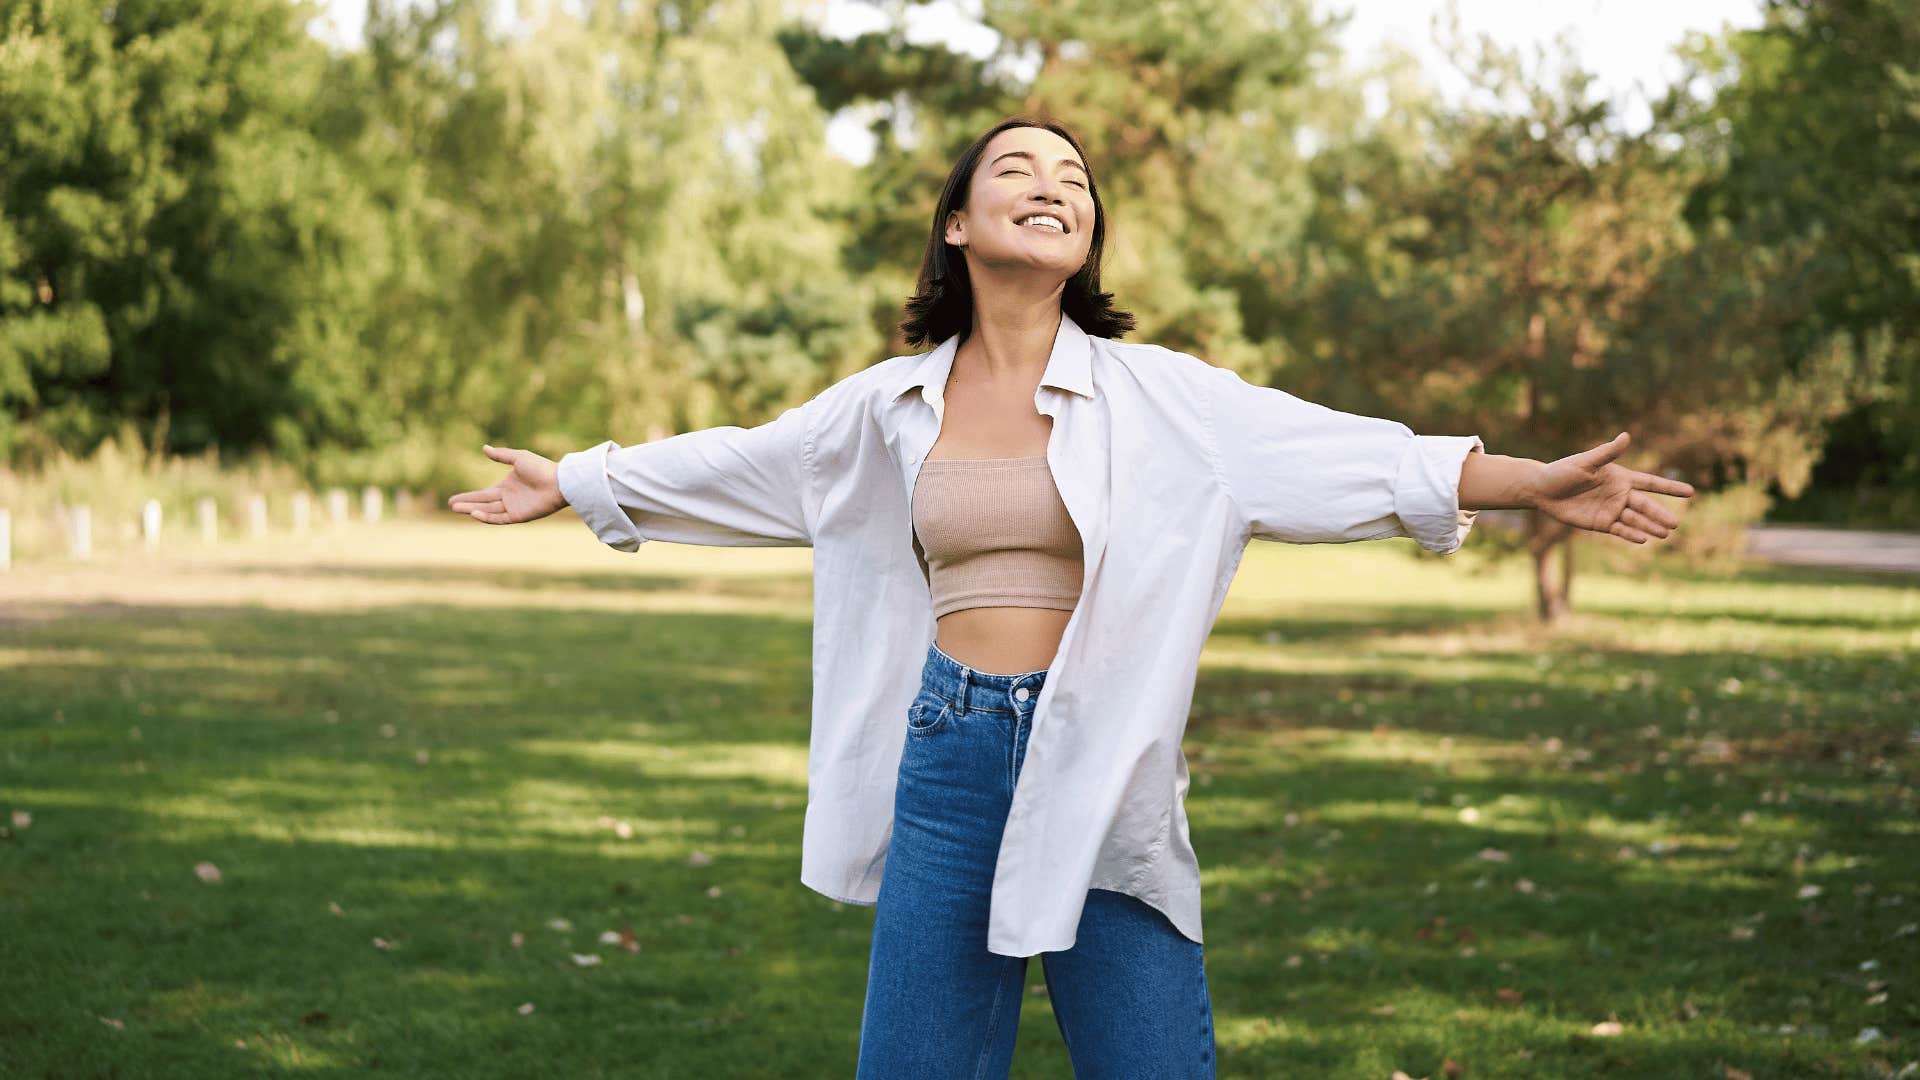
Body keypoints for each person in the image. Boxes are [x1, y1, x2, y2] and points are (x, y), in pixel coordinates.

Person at [447, 115, 1694, 1079]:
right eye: (1019, 169)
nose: (1054, 186)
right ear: (954, 224)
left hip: (1102, 759)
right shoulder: (887, 406)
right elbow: (749, 460)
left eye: (1076, 181)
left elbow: (1353, 456)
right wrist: (576, 477)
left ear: (1089, 237)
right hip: (946, 758)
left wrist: (1533, 483)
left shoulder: (1171, 403)